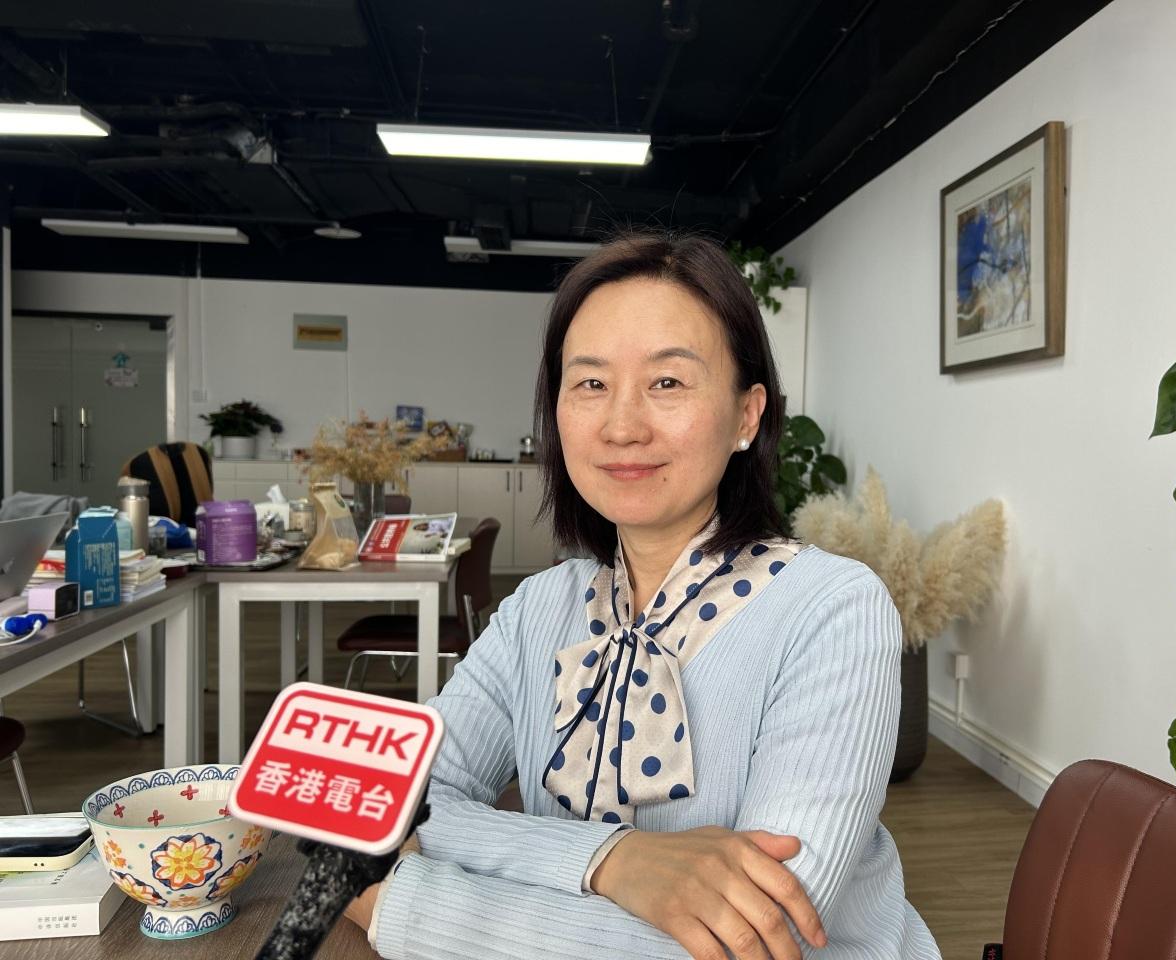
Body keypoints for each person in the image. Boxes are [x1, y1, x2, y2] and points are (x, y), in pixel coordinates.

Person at [345, 231, 941, 959]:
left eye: (667, 382)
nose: (622, 426)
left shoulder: (832, 609)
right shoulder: (537, 610)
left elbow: (755, 941)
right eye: (590, 384)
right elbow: (380, 799)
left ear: (747, 415)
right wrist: (609, 859)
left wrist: (398, 902)